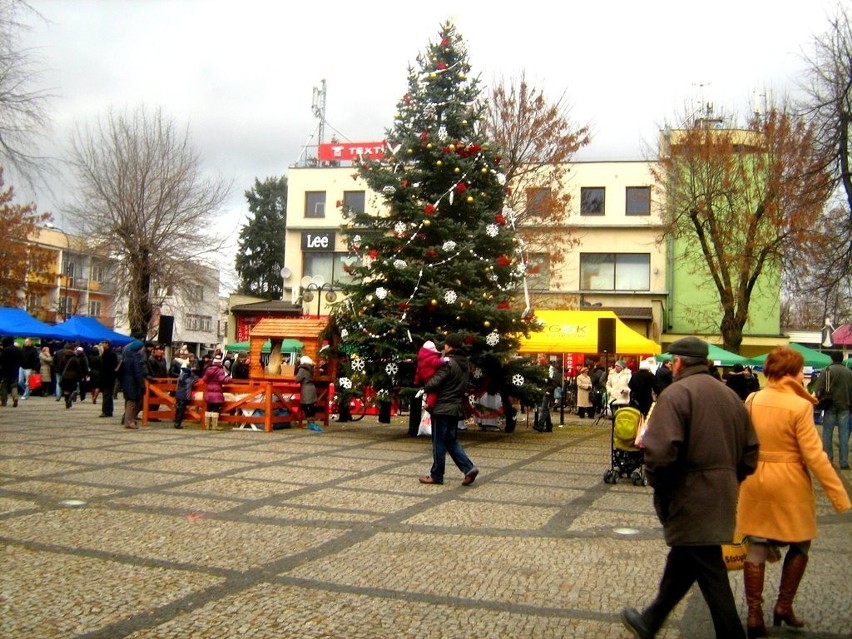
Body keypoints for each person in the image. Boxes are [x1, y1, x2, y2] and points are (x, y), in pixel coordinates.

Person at [621, 336, 759, 639]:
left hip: (687, 494)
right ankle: (651, 619)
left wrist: (661, 486)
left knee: (710, 570)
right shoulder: (730, 397)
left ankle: (730, 633)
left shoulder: (676, 394)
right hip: (721, 493)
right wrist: (730, 478)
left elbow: (659, 453)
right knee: (686, 558)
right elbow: (751, 450)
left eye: (672, 361)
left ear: (680, 363)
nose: (671, 366)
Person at [736, 346, 850, 638]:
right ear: (790, 373)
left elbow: (743, 442)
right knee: (800, 543)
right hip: (789, 482)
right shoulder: (800, 406)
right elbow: (815, 456)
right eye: (800, 370)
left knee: (758, 545)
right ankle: (783, 606)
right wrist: (839, 496)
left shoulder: (753, 398)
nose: (804, 374)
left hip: (755, 480)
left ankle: (754, 615)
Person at [419, 333, 478, 486]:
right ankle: (469, 468)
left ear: (449, 346)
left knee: (439, 442)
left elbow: (434, 383)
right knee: (451, 441)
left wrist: (425, 386)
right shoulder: (464, 363)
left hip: (442, 407)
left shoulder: (448, 363)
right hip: (455, 407)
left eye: (445, 345)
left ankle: (437, 475)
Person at [814, 350, 852, 469]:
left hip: (829, 405)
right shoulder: (849, 372)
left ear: (831, 359)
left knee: (827, 433)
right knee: (844, 435)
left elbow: (819, 388)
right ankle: (844, 462)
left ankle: (828, 460)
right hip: (845, 405)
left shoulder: (827, 370)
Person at [413, 340, 447, 410]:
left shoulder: (421, 359)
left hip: (425, 378)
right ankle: (429, 404)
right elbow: (436, 363)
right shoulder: (432, 357)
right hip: (431, 376)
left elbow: (418, 371)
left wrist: (417, 381)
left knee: (429, 390)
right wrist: (443, 360)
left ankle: (426, 402)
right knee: (434, 391)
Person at [120, 340, 146, 429]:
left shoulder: (127, 357)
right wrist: (141, 385)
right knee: (132, 402)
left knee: (131, 402)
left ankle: (129, 420)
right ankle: (129, 421)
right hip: (133, 383)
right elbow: (137, 373)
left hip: (127, 382)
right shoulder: (136, 359)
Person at [295, 355, 320, 431]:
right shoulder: (310, 368)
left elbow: (298, 379)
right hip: (312, 387)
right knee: (311, 405)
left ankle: (310, 422)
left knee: (305, 406)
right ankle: (312, 422)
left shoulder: (302, 369)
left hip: (306, 388)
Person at [173, 361, 199, 429]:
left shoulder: (181, 377)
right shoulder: (189, 380)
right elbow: (196, 379)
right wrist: (192, 372)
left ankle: (176, 422)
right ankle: (178, 423)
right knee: (181, 410)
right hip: (184, 396)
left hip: (178, 394)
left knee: (178, 409)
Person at [98, 340, 119, 418]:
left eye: (104, 343)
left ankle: (106, 411)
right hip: (106, 377)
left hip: (108, 377)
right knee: (108, 395)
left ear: (107, 344)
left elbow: (111, 366)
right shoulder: (106, 353)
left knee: (107, 395)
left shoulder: (110, 354)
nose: (102, 344)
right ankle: (109, 411)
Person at [0, 336, 23, 407]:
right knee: (14, 385)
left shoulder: (5, 350)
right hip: (15, 370)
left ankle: (4, 401)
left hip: (5, 370)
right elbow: (21, 359)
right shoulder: (18, 349)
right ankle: (15, 397)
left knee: (4, 386)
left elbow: (1, 359)